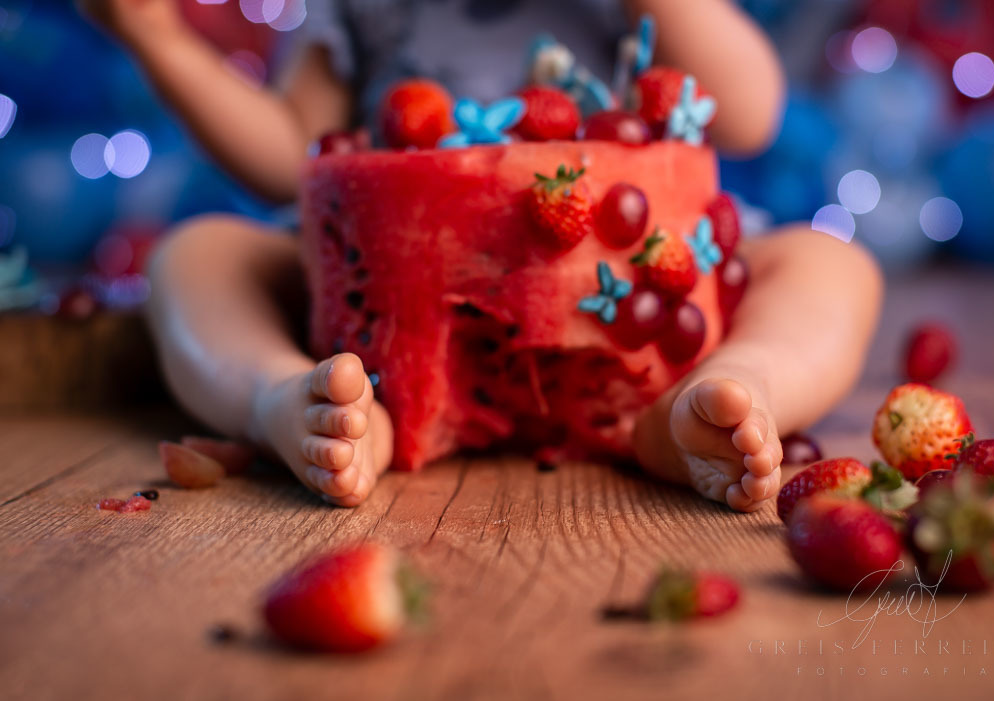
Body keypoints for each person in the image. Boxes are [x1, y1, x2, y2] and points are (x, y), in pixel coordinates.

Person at [80, 0, 882, 511]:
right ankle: (285, 400)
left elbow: (749, 114)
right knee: (200, 256)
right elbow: (287, 154)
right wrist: (158, 38)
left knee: (828, 262)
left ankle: (726, 392)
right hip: (382, 331)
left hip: (645, 317)